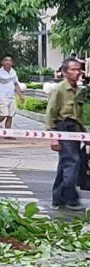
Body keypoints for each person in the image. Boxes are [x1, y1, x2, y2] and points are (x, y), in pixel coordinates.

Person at [47, 57, 86, 211]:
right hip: (64, 129)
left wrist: (84, 134)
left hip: (76, 130)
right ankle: (71, 198)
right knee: (72, 163)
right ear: (64, 72)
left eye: (79, 69)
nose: (77, 72)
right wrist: (54, 137)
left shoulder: (78, 90)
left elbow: (79, 115)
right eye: (73, 69)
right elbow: (50, 114)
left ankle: (58, 199)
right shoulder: (59, 90)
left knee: (65, 164)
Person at [0, 54, 24, 130]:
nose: (8, 62)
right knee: (4, 114)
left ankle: (8, 132)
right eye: (6, 60)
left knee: (10, 115)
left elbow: (16, 84)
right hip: (2, 97)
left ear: (12, 63)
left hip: (11, 97)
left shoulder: (13, 72)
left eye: (10, 60)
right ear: (2, 62)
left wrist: (20, 95)